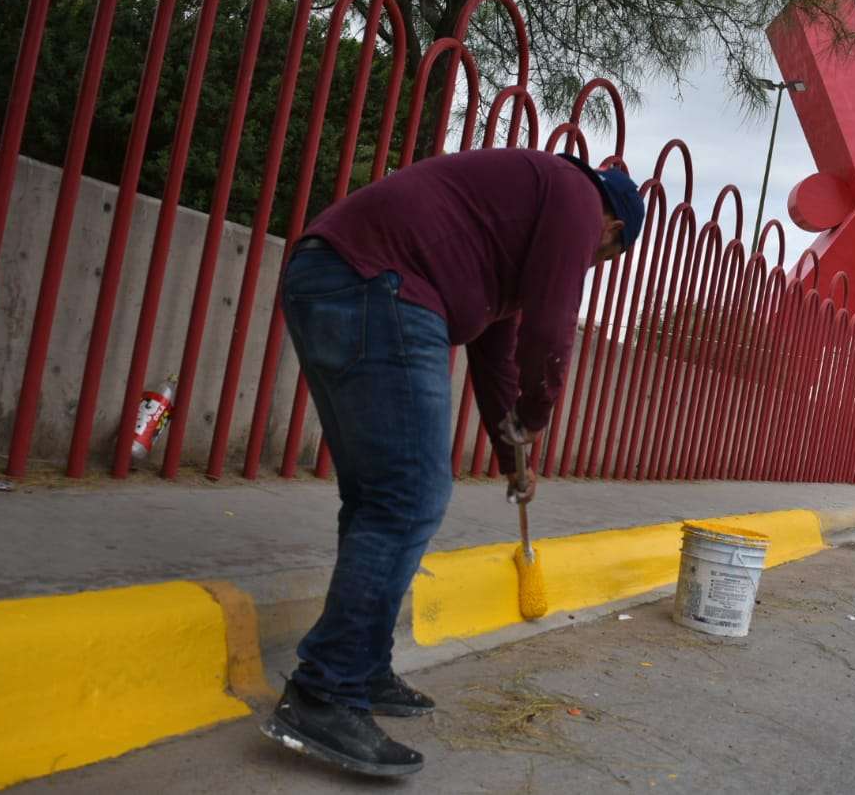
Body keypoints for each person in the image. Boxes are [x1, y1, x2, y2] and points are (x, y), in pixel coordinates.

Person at [260, 147, 645, 776]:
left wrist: (514, 455)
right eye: (603, 255)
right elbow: (552, 333)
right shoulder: (578, 200)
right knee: (409, 498)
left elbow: (500, 358)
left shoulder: (518, 225)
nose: (592, 261)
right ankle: (323, 692)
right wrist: (541, 413)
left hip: (330, 278)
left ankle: (365, 664)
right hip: (376, 286)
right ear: (613, 229)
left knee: (377, 498)